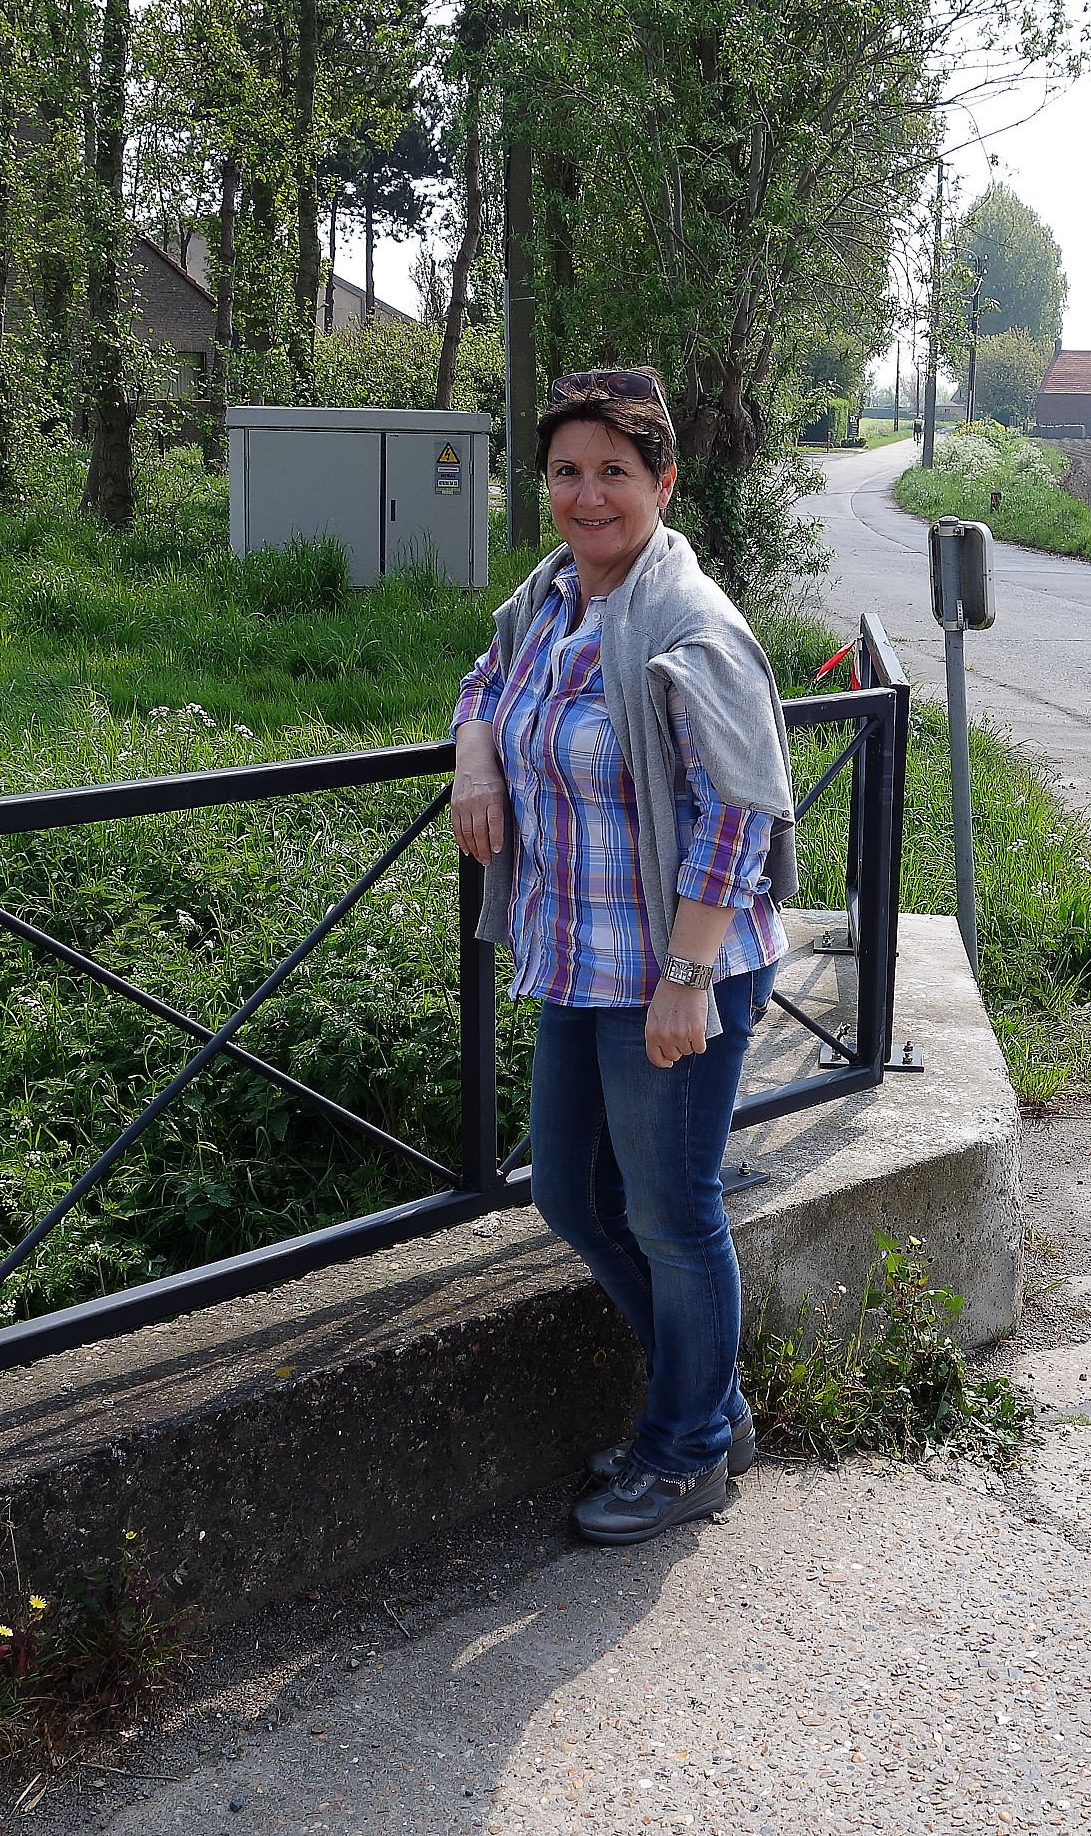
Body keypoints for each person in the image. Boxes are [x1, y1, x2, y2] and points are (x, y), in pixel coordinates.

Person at [449, 366, 799, 1545]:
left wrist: (687, 978)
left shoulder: (688, 623)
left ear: (664, 481)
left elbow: (741, 809)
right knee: (568, 1192)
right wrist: (477, 754)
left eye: (614, 470)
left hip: (674, 967)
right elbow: (487, 676)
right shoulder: (552, 598)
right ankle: (714, 1406)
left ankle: (688, 1447)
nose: (587, 494)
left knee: (671, 1213)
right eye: (566, 470)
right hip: (576, 957)